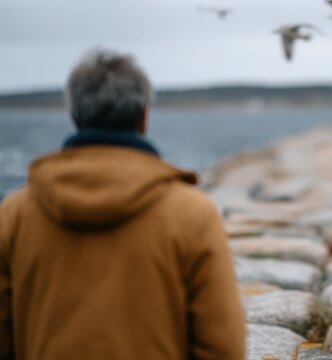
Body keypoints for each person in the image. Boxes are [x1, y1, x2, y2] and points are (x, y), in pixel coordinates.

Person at [0, 49, 245, 359]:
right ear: (144, 117)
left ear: (75, 116)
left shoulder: (15, 214)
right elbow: (223, 346)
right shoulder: (192, 214)